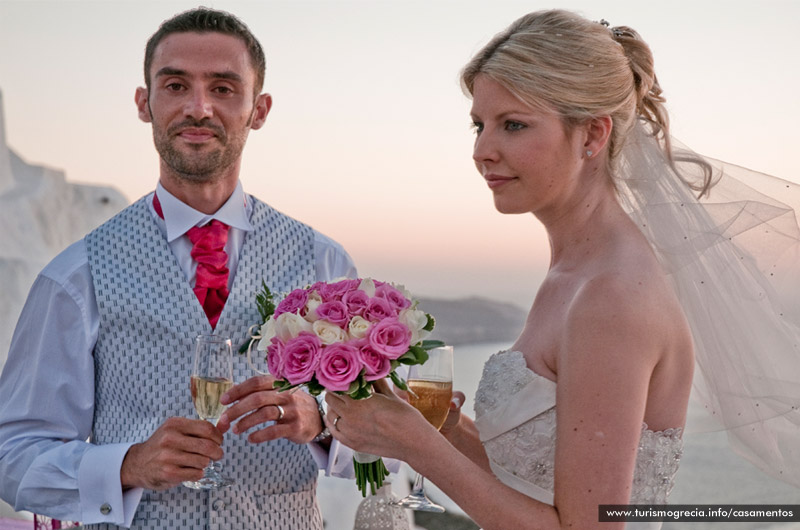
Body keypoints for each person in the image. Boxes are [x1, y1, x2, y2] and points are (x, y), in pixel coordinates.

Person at [324, 9, 800, 530]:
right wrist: (443, 429)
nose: (483, 150)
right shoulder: (574, 273)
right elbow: (535, 482)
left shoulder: (610, 296)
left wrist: (416, 446)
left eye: (514, 125)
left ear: (593, 135)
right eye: (479, 125)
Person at [0, 8, 355, 529]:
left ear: (259, 109)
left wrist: (324, 422)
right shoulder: (75, 275)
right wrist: (125, 465)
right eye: (175, 85)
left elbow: (389, 439)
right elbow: (12, 453)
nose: (199, 107)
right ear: (145, 103)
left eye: (224, 88)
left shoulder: (324, 263)